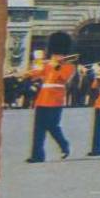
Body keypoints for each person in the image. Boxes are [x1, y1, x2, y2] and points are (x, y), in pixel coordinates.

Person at [25, 31, 76, 163]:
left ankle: (64, 145)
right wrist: (26, 74)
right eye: (54, 53)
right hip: (42, 99)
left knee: (52, 126)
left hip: (56, 99)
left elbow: (64, 78)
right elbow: (37, 73)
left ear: (63, 53)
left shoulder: (69, 66)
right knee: (39, 128)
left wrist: (57, 67)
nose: (55, 56)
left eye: (57, 54)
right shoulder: (48, 65)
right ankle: (37, 155)